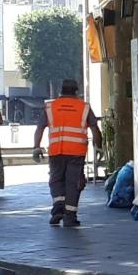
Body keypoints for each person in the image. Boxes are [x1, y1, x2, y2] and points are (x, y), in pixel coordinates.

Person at [40, 79, 100, 228]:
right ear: (76, 90)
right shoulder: (84, 107)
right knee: (73, 183)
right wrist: (99, 146)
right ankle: (70, 216)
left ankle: (58, 206)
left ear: (61, 90)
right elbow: (94, 128)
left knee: (55, 180)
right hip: (76, 152)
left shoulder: (50, 106)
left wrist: (36, 147)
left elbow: (40, 127)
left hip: (56, 150)